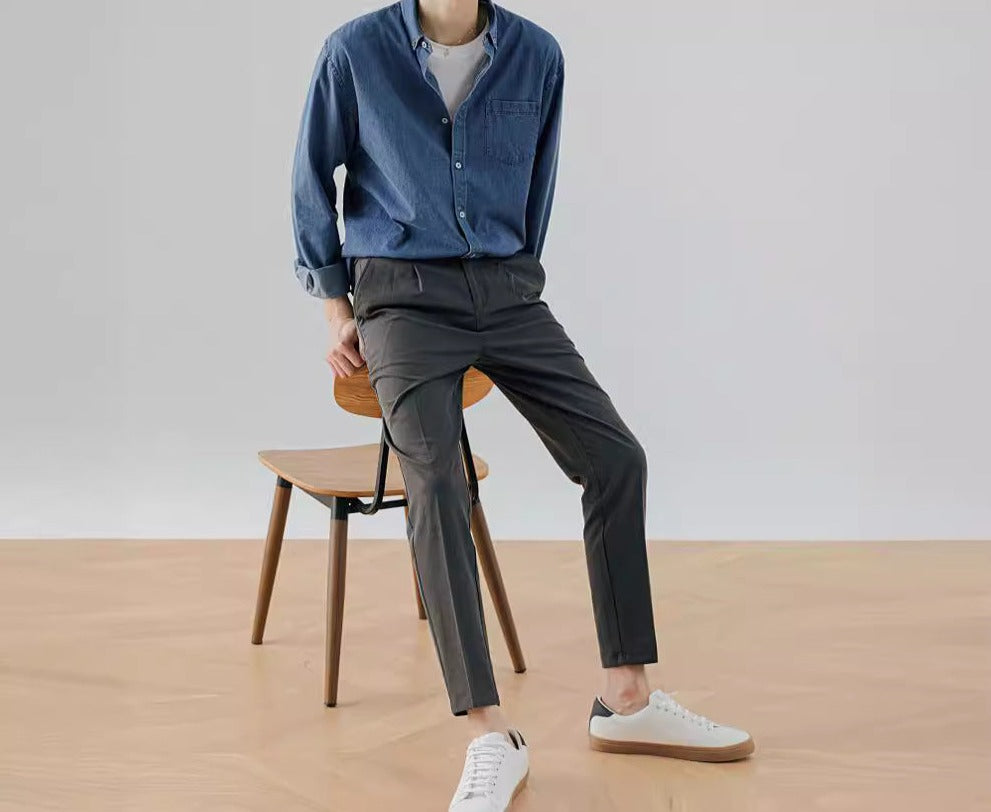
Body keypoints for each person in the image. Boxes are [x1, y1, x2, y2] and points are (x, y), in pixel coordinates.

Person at [290, 1, 755, 808]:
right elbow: (310, 179)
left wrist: (515, 278)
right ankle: (487, 732)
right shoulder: (354, 52)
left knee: (615, 459)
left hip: (506, 290)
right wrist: (336, 306)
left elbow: (538, 182)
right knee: (436, 481)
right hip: (400, 295)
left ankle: (626, 699)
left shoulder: (537, 54)